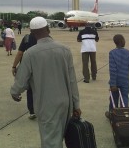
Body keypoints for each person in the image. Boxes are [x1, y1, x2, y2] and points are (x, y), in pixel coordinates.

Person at [10, 16, 81, 148]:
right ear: (48, 30)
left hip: (47, 105)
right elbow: (72, 81)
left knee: (51, 142)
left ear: (32, 32)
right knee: (61, 138)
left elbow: (21, 81)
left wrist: (15, 92)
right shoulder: (65, 49)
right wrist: (76, 105)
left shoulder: (30, 54)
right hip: (66, 103)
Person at [12, 32, 37, 119]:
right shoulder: (46, 38)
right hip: (41, 67)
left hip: (29, 66)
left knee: (30, 89)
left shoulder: (27, 38)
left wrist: (14, 66)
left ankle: (32, 111)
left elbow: (20, 53)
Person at [105, 34, 129, 119]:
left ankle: (113, 115)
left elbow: (112, 69)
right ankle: (124, 115)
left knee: (113, 99)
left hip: (116, 80)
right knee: (125, 98)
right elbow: (128, 67)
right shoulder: (127, 52)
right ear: (122, 41)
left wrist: (113, 83)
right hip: (125, 80)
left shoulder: (112, 53)